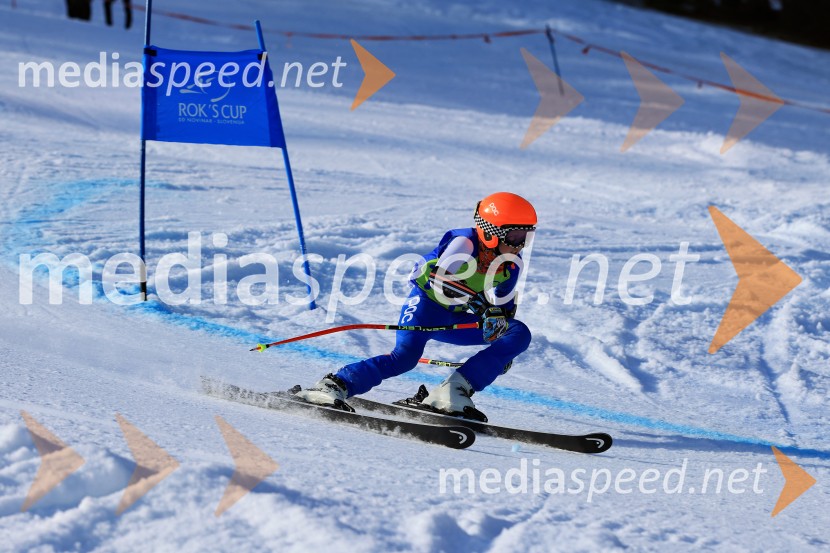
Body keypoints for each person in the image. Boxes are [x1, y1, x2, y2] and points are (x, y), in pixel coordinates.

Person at [296, 192, 536, 420]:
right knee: (405, 358)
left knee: (518, 332)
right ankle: (334, 385)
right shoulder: (465, 243)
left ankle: (452, 391)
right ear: (490, 232)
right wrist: (483, 307)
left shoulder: (512, 263)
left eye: (526, 237)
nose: (520, 244)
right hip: (425, 308)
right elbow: (441, 279)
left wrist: (502, 347)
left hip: (455, 319)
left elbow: (503, 310)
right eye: (514, 235)